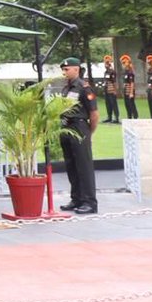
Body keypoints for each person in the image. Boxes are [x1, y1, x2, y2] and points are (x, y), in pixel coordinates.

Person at [58, 57, 99, 214]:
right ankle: (76, 199)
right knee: (71, 165)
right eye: (63, 69)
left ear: (76, 69)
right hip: (66, 128)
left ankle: (90, 202)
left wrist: (89, 132)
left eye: (67, 69)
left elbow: (94, 113)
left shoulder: (84, 88)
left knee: (84, 166)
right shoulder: (66, 88)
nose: (64, 72)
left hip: (79, 127)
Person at [101, 56, 120, 124]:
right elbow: (105, 81)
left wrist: (115, 90)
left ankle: (117, 118)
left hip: (111, 90)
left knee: (113, 104)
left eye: (106, 63)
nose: (105, 65)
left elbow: (114, 82)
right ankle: (109, 117)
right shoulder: (106, 72)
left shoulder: (112, 72)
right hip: (106, 90)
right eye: (105, 63)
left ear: (109, 64)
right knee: (108, 104)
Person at [120, 54, 138, 120]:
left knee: (131, 104)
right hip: (125, 91)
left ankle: (135, 116)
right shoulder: (125, 72)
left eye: (124, 63)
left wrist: (131, 93)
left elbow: (132, 83)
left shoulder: (131, 73)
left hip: (130, 90)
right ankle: (129, 116)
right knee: (127, 104)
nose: (123, 65)